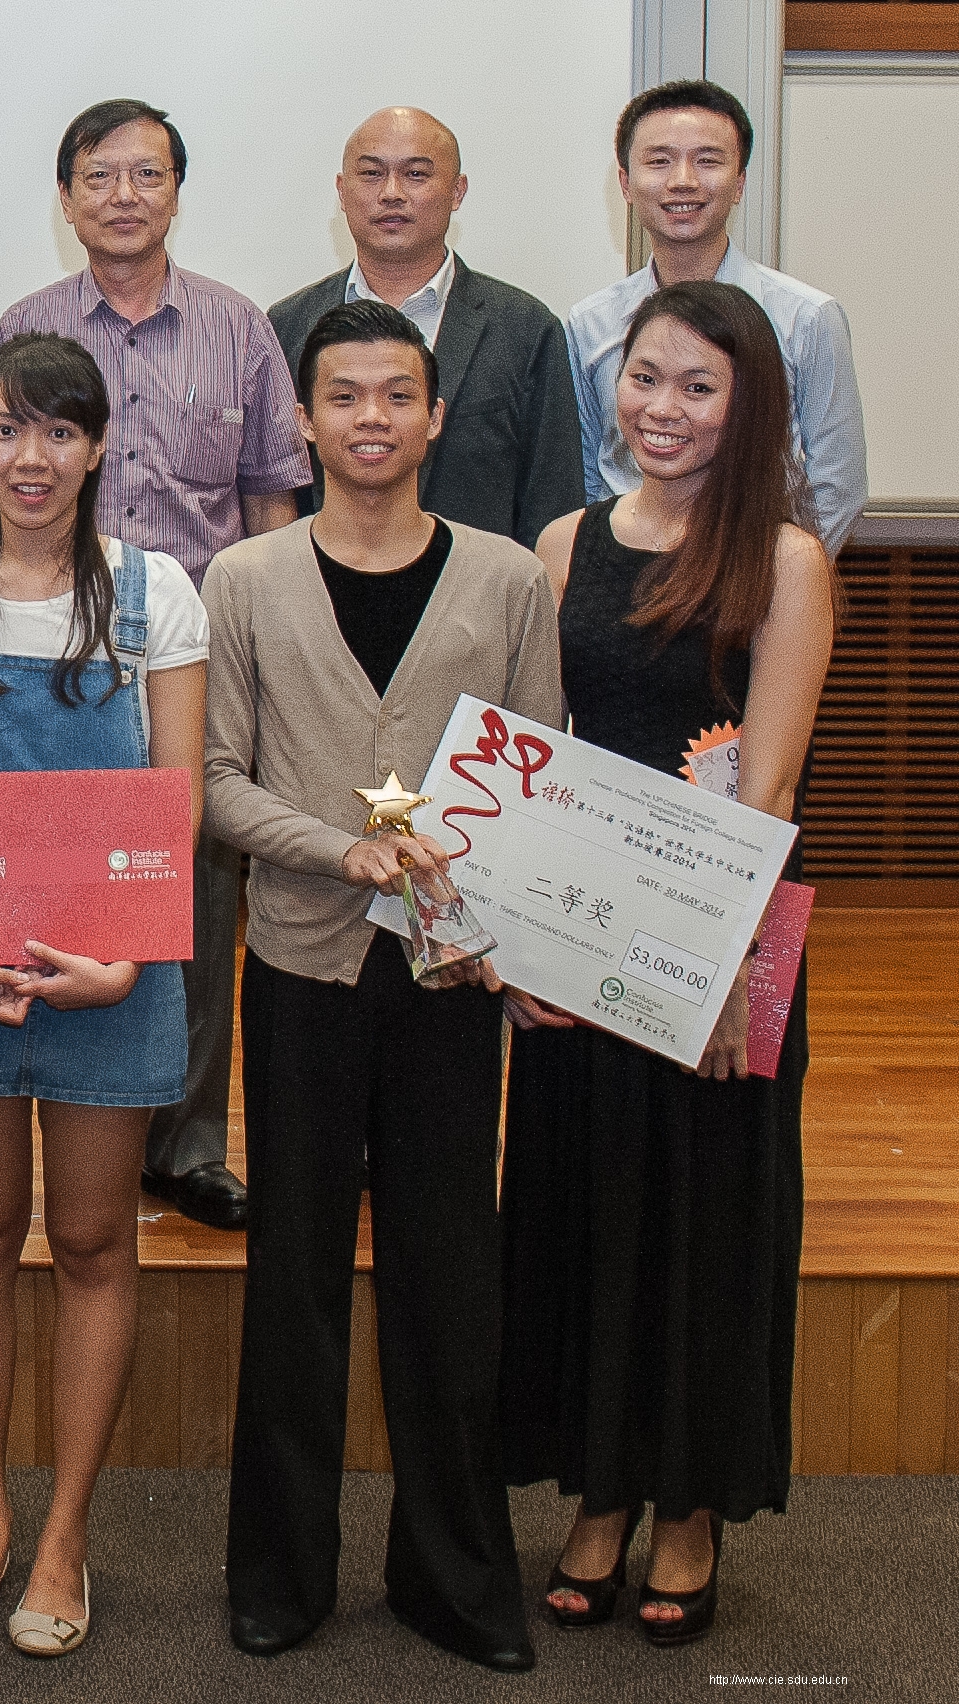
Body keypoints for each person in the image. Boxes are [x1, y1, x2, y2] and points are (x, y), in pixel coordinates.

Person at [204, 300, 560, 1673]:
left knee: (444, 1273)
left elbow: (542, 769)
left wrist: (505, 925)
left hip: (451, 974)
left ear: (433, 418)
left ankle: (456, 1576)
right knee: (292, 1273)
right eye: (340, 397)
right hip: (300, 965)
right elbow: (216, 783)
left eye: (393, 396)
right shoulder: (244, 578)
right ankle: (279, 1576)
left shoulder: (509, 579)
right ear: (301, 419)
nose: (368, 419)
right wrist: (341, 848)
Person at [500, 280, 834, 1649]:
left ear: (745, 404)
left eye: (698, 386)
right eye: (646, 378)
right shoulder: (562, 543)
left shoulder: (787, 563)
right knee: (585, 1213)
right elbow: (532, 752)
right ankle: (602, 1492)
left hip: (714, 954)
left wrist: (702, 971)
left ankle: (685, 1508)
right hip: (576, 948)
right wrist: (521, 943)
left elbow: (762, 794)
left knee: (704, 1225)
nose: (665, 409)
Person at [0, 334, 207, 1657]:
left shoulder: (153, 592)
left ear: (98, 446)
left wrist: (128, 952)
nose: (32, 458)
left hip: (115, 968)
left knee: (90, 1243)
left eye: (59, 433)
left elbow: (172, 804)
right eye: (9, 429)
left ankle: (65, 1530)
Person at [0, 97, 311, 1233]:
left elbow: (272, 510)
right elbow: (2, 484)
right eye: (96, 176)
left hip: (192, 660)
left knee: (194, 892)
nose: (120, 196)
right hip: (52, 655)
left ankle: (181, 1139)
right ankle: (55, 1104)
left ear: (176, 189)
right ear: (65, 195)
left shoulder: (238, 329)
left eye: (144, 175)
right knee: (51, 872)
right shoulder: (27, 324)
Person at [567, 80, 867, 556]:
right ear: (625, 182)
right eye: (659, 161)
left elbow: (837, 485)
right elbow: (588, 471)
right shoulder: (590, 323)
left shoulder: (807, 317)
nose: (682, 180)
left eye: (707, 160)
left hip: (753, 590)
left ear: (740, 182)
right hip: (624, 582)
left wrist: (773, 583)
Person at [269, 107, 584, 547]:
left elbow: (554, 501)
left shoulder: (525, 329)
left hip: (477, 603)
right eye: (371, 174)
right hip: (326, 597)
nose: (392, 194)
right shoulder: (287, 326)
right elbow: (276, 493)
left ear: (457, 191)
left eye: (416, 175)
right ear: (342, 191)